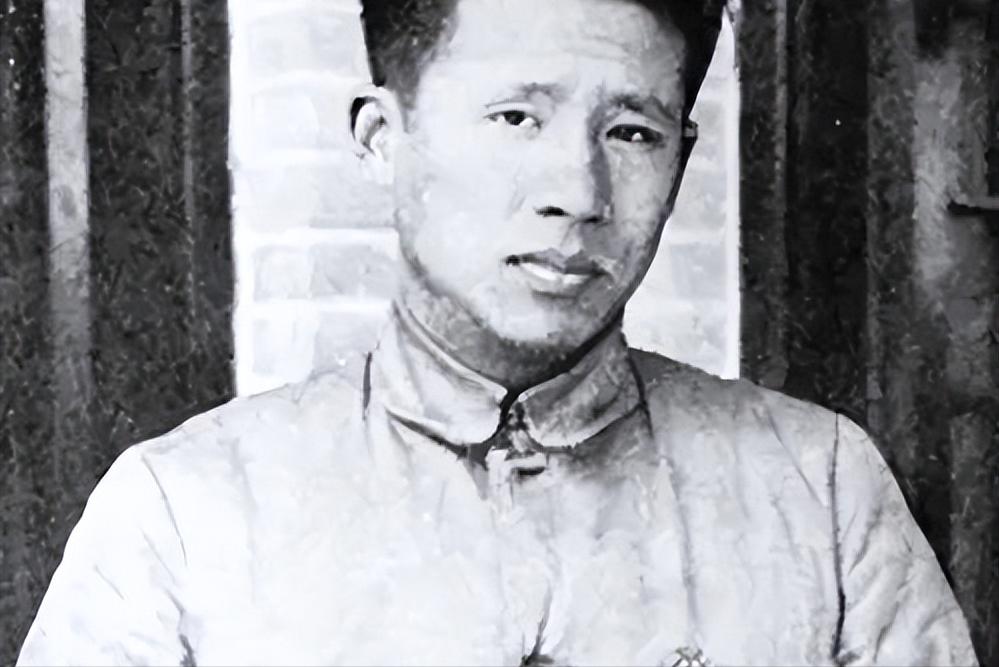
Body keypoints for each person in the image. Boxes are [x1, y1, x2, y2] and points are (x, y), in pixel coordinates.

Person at [17, 0, 978, 665]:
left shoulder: (819, 490)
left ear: (681, 159)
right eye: (516, 116)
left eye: (632, 132)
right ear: (382, 139)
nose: (577, 192)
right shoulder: (181, 515)